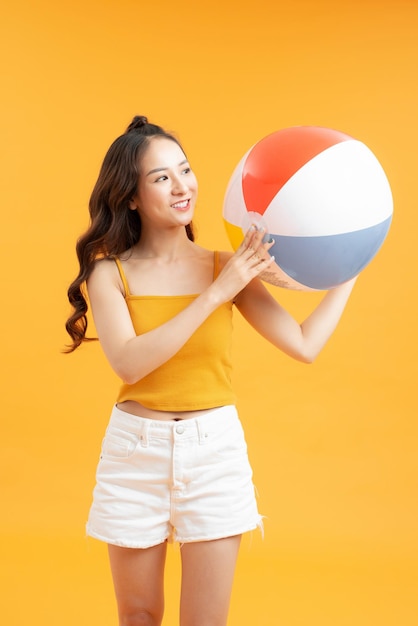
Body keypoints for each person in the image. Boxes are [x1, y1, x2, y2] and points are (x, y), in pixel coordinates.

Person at [65, 115, 356, 626]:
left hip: (213, 453)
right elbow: (129, 362)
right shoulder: (109, 273)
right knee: (137, 615)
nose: (182, 187)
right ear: (131, 196)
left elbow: (305, 345)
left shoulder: (230, 264)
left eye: (185, 169)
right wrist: (217, 293)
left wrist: (348, 268)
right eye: (161, 178)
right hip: (134, 455)